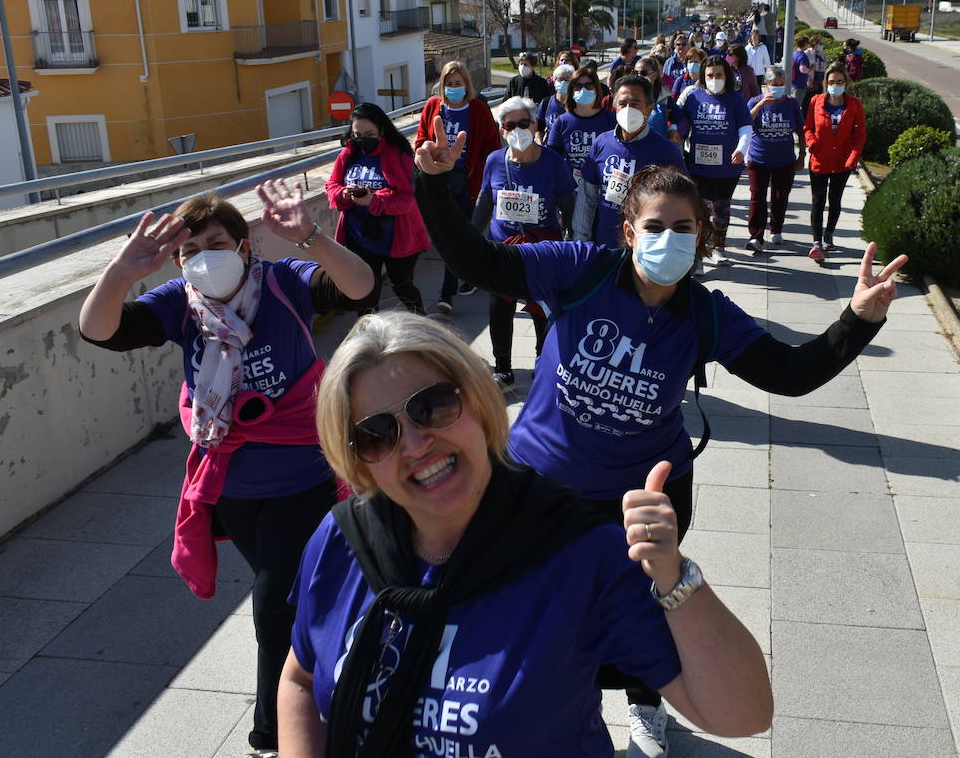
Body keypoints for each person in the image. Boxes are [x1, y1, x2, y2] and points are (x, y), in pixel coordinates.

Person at [409, 151, 906, 758]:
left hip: (643, 495)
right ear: (628, 230)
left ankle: (647, 707)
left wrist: (857, 319)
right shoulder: (579, 270)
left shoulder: (704, 314)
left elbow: (790, 374)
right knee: (539, 609)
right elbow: (477, 261)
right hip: (538, 485)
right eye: (654, 226)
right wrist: (433, 182)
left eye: (683, 228)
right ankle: (552, 703)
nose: (668, 239)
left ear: (702, 235)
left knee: (647, 605)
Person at [277, 312, 773, 758]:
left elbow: (743, 714)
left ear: (477, 399)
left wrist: (675, 577)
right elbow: (301, 676)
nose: (414, 444)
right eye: (376, 434)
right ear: (357, 461)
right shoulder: (342, 541)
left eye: (433, 405)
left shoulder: (575, 553)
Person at [79, 184, 375, 757]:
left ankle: (273, 731)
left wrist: (310, 236)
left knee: (272, 606)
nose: (202, 258)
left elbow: (361, 288)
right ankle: (334, 661)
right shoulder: (176, 303)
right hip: (230, 487)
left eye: (216, 244)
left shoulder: (285, 281)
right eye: (190, 252)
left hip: (303, 476)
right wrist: (120, 271)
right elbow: (100, 331)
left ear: (244, 248)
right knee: (290, 592)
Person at [473, 96, 576, 386]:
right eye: (510, 125)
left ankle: (542, 364)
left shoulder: (554, 163)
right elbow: (483, 206)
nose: (518, 129)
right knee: (500, 309)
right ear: (502, 130)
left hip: (543, 251)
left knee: (542, 311)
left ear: (534, 125)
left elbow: (569, 207)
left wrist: (575, 245)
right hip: (502, 249)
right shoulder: (494, 161)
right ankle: (503, 368)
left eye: (524, 123)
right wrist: (469, 244)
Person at [324, 103, 430, 316]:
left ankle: (422, 322)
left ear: (382, 130)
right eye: (357, 134)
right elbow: (332, 185)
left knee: (402, 286)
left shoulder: (399, 155)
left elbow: (408, 199)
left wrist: (373, 201)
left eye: (369, 134)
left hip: (397, 237)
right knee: (364, 292)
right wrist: (344, 194)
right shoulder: (348, 154)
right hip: (359, 236)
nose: (363, 139)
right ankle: (367, 338)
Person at [413, 61, 502, 314]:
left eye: (458, 84)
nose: (453, 88)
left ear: (466, 85)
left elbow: (491, 146)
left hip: (465, 185)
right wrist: (427, 151)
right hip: (436, 182)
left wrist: (481, 178)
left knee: (457, 237)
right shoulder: (432, 107)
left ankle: (446, 294)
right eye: (448, 84)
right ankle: (464, 278)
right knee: (445, 236)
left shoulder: (477, 110)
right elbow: (420, 138)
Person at [574, 74, 685, 247]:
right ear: (614, 107)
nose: (628, 109)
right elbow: (587, 197)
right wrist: (581, 240)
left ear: (649, 109)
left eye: (635, 104)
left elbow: (681, 201)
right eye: (623, 104)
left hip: (647, 247)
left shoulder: (666, 151)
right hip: (605, 244)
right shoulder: (601, 143)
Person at [680, 54, 752, 267]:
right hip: (698, 166)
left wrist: (741, 150)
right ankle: (697, 254)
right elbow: (682, 124)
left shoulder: (735, 99)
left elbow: (746, 128)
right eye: (710, 75)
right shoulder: (694, 97)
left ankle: (718, 246)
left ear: (726, 75)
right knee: (698, 211)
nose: (714, 78)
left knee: (721, 210)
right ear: (703, 76)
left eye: (718, 74)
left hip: (726, 168)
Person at [802, 62, 867, 264]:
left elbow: (860, 134)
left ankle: (829, 234)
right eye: (831, 82)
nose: (835, 85)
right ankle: (816, 242)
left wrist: (853, 157)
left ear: (846, 82)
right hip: (820, 160)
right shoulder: (816, 101)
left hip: (842, 163)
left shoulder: (854, 105)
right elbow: (808, 127)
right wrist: (812, 144)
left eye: (839, 81)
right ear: (826, 83)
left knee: (835, 200)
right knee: (817, 201)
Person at [744, 66, 806, 251]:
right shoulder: (755, 101)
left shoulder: (791, 104)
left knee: (780, 197)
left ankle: (776, 230)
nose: (777, 88)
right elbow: (745, 123)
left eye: (781, 85)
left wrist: (802, 156)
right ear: (766, 85)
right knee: (757, 198)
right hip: (758, 158)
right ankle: (756, 236)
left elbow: (801, 132)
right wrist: (761, 105)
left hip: (784, 160)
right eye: (773, 85)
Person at [545, 64, 616, 185]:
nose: (583, 90)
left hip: (602, 185)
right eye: (577, 86)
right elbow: (552, 158)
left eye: (588, 86)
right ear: (571, 91)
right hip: (570, 186)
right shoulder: (562, 122)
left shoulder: (610, 119)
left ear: (596, 89)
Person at [635, 55, 684, 145]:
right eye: (635, 73)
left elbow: (680, 118)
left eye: (643, 73)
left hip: (658, 146)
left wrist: (672, 129)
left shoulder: (665, 97)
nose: (638, 76)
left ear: (654, 74)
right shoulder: (628, 97)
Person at [537, 62, 575, 142]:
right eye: (560, 79)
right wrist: (539, 143)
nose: (564, 82)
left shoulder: (578, 103)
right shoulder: (546, 103)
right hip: (550, 147)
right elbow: (538, 128)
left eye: (567, 79)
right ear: (554, 81)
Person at [790, 32, 813, 108]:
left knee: (792, 104)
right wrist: (810, 69)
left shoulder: (794, 53)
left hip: (792, 83)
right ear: (805, 44)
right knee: (797, 105)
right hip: (800, 84)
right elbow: (802, 69)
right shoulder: (802, 55)